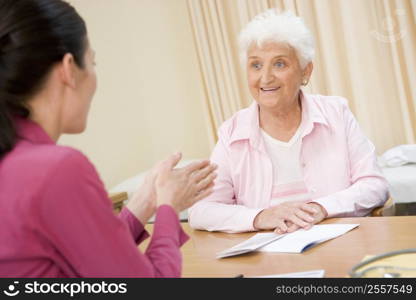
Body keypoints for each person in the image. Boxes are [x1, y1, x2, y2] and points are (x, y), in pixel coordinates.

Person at [0, 0, 216, 277]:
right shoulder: (56, 169)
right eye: (92, 62)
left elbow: (97, 258)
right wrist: (168, 208)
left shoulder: (16, 162)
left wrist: (144, 202)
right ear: (68, 69)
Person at [188, 10, 388, 234]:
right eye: (256, 65)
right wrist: (260, 217)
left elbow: (374, 185)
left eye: (279, 64)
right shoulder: (232, 131)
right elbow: (202, 210)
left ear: (306, 71)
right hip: (266, 258)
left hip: (338, 248)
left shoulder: (336, 113)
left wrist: (320, 208)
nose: (265, 78)